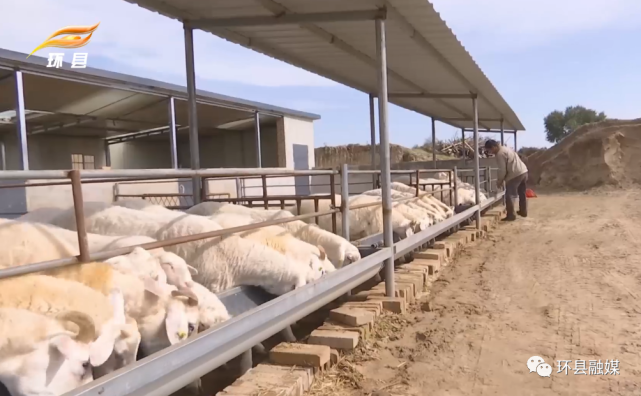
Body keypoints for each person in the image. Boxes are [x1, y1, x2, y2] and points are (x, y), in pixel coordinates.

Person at [484, 139, 528, 221]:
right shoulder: (506, 148)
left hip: (515, 174)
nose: (490, 152)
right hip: (523, 171)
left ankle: (511, 215)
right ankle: (523, 211)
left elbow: (502, 170)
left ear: (494, 147)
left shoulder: (500, 154)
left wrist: (499, 181)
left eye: (489, 150)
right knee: (522, 193)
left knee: (510, 195)